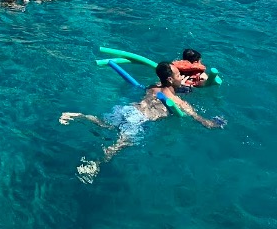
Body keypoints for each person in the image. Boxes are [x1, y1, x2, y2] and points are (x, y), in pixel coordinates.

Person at [59, 62, 223, 182]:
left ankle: (77, 115)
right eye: (179, 75)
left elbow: (157, 84)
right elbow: (199, 119)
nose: (181, 77)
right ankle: (95, 164)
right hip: (140, 119)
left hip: (128, 109)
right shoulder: (176, 100)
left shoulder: (153, 87)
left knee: (104, 124)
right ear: (170, 80)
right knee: (120, 144)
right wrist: (212, 123)